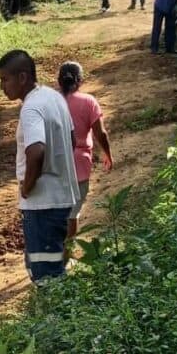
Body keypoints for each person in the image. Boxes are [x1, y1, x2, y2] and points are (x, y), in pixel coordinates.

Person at [0, 50, 79, 283]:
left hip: (42, 205)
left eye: (5, 79)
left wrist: (27, 187)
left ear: (22, 77)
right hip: (61, 199)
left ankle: (60, 308)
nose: (2, 87)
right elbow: (72, 140)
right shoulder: (54, 97)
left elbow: (37, 151)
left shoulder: (31, 108)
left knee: (47, 277)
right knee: (51, 267)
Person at [57, 62, 113, 254]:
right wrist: (108, 154)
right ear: (80, 81)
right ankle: (66, 255)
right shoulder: (88, 102)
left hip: (53, 164)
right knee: (72, 214)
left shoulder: (51, 102)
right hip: (79, 164)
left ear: (59, 81)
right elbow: (101, 133)